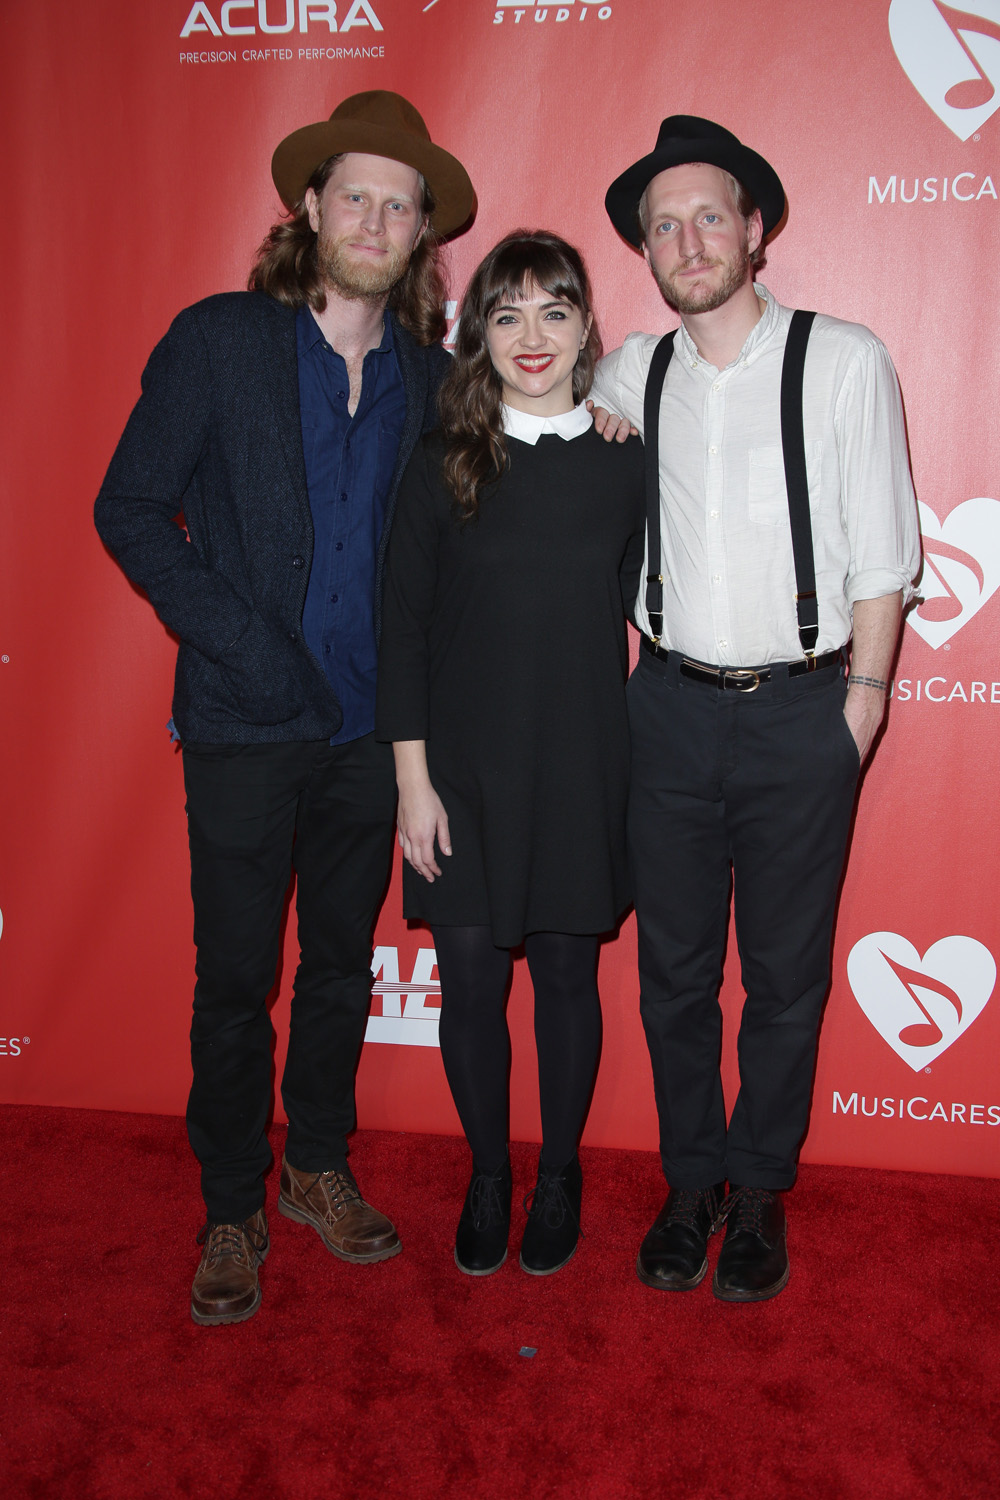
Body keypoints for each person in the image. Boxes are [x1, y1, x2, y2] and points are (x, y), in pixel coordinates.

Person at [94, 91, 474, 1326]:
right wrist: (249, 650)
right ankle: (229, 1205)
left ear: (421, 232)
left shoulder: (431, 373)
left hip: (376, 734)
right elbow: (132, 509)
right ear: (309, 209)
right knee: (234, 979)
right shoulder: (219, 341)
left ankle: (315, 1166)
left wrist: (607, 418)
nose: (374, 216)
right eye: (352, 193)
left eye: (398, 202)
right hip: (248, 723)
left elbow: (498, 487)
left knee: (338, 969)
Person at [592, 116, 920, 1301]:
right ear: (647, 251)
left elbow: (885, 558)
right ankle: (692, 1184)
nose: (686, 238)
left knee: (785, 977)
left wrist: (861, 707)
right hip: (665, 710)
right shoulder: (630, 367)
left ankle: (761, 1189)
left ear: (755, 230)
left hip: (802, 713)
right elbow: (531, 395)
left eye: (707, 215)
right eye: (663, 225)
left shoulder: (844, 359)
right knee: (672, 974)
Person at [376, 231, 644, 1277]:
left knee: (570, 979)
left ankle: (562, 1171)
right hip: (463, 775)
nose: (532, 337)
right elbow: (400, 628)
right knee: (473, 982)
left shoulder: (628, 463)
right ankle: (490, 1173)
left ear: (584, 328)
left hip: (582, 763)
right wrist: (413, 784)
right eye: (506, 314)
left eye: (554, 311)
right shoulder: (444, 463)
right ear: (476, 336)